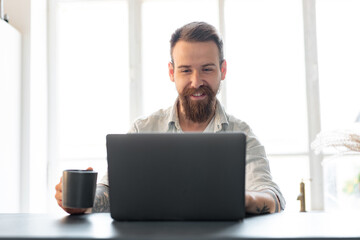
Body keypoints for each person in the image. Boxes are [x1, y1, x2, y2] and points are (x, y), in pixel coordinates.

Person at [55, 22, 285, 215]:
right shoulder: (143, 129)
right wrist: (83, 201)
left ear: (222, 70)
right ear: (171, 72)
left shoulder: (242, 134)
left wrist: (235, 198)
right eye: (186, 70)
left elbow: (272, 197)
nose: (196, 82)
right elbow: (111, 191)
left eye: (207, 69)